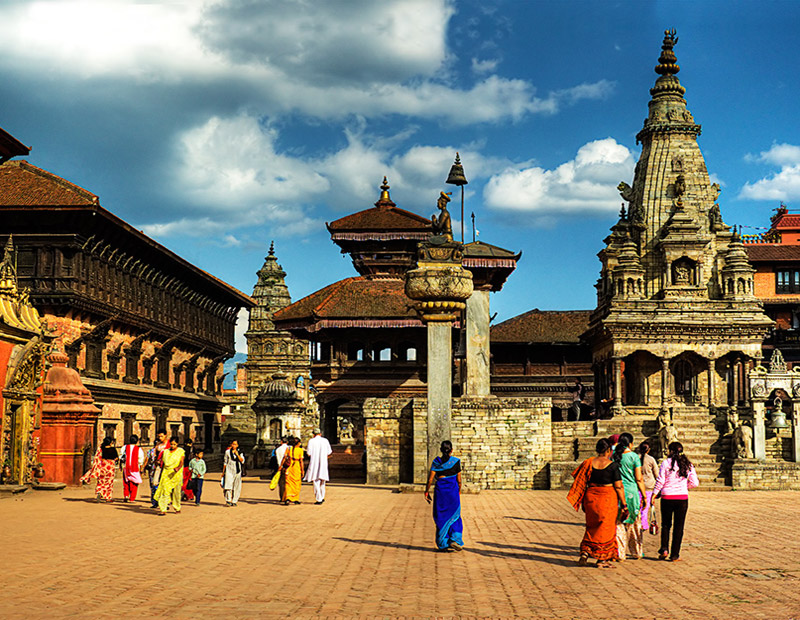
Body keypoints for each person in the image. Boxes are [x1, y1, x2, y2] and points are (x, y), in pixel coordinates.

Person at [568, 438, 627, 569]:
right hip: (607, 499)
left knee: (591, 526)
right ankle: (601, 559)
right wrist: (624, 504)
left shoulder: (588, 463)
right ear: (608, 451)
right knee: (605, 528)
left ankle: (585, 552)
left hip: (591, 497)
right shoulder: (612, 466)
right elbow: (618, 487)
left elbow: (581, 479)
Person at [652, 441, 699, 562]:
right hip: (682, 498)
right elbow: (695, 482)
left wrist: (654, 494)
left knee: (666, 525)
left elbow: (661, 480)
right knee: (679, 527)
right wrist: (683, 487)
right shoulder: (688, 464)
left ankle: (664, 549)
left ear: (670, 451)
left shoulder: (666, 463)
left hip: (667, 497)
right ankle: (674, 554)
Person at [424, 440, 463, 552]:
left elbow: (430, 479)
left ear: (441, 450)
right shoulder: (456, 462)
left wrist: (426, 492)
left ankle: (443, 542)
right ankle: (455, 539)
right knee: (455, 516)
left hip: (440, 492)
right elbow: (459, 480)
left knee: (441, 516)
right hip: (453, 492)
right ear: (451, 450)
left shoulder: (436, 462)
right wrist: (458, 491)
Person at [613, 434, 647, 561]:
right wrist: (644, 496)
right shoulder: (634, 457)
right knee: (633, 523)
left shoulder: (614, 456)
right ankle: (636, 551)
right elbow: (639, 478)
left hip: (618, 492)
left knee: (619, 523)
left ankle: (620, 553)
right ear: (630, 444)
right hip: (632, 493)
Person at [81, 437, 119, 502]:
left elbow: (98, 457)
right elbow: (116, 458)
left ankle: (99, 492)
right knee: (109, 482)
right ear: (110, 443)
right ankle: (108, 497)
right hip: (110, 467)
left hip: (103, 466)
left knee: (101, 481)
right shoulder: (113, 449)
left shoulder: (101, 449)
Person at [153, 437, 185, 515]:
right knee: (164, 490)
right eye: (171, 444)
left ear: (177, 444)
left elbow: (181, 461)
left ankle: (177, 507)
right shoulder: (165, 452)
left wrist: (178, 467)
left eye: (174, 444)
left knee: (176, 492)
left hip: (176, 474)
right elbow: (162, 462)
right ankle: (163, 509)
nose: (173, 446)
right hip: (166, 473)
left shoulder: (181, 451)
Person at [305, 429, 333, 505]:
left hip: (314, 463)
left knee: (316, 481)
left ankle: (319, 498)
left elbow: (309, 453)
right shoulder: (325, 441)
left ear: (313, 434)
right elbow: (329, 452)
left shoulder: (311, 441)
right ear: (320, 434)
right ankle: (322, 496)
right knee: (322, 481)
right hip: (323, 463)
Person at [637, 440, 659, 535]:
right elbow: (656, 474)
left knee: (638, 506)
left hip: (638, 485)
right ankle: (643, 524)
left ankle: (637, 523)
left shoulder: (636, 458)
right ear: (648, 450)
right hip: (649, 486)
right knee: (645, 507)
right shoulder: (651, 459)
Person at [120, 434, 147, 502]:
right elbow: (140, 459)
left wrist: (121, 465)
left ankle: (126, 495)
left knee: (126, 482)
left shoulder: (125, 447)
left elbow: (121, 456)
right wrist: (141, 468)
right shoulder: (139, 449)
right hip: (135, 468)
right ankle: (132, 497)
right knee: (134, 483)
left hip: (126, 467)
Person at [280, 436, 304, 505]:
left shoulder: (289, 449)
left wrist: (281, 466)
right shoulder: (300, 450)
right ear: (298, 443)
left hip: (289, 467)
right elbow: (301, 461)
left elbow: (284, 458)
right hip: (296, 467)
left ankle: (288, 497)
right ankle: (295, 498)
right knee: (296, 483)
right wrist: (302, 470)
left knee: (288, 483)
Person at [148, 430, 169, 508]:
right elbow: (155, 455)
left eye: (161, 436)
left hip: (166, 466)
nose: (160, 438)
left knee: (165, 485)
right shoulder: (158, 445)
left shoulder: (169, 445)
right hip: (158, 466)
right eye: (159, 436)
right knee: (155, 483)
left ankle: (164, 503)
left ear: (165, 435)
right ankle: (156, 501)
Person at [222, 439, 244, 507]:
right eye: (233, 444)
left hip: (237, 470)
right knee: (228, 485)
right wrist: (223, 472)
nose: (234, 446)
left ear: (237, 445)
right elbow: (225, 461)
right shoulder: (227, 452)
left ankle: (234, 500)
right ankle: (228, 500)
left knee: (237, 486)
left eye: (235, 444)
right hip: (229, 469)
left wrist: (237, 454)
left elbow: (242, 461)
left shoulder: (240, 452)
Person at [273, 436, 290, 501]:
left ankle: (282, 497)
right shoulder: (289, 448)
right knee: (288, 483)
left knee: (282, 483)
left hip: (281, 467)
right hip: (289, 467)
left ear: (281, 442)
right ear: (287, 442)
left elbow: (278, 459)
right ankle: (288, 496)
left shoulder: (278, 449)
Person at [181, 438, 194, 502]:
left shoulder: (182, 450)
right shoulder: (192, 450)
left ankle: (184, 493)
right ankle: (189, 495)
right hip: (189, 467)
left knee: (183, 481)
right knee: (189, 481)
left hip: (183, 467)